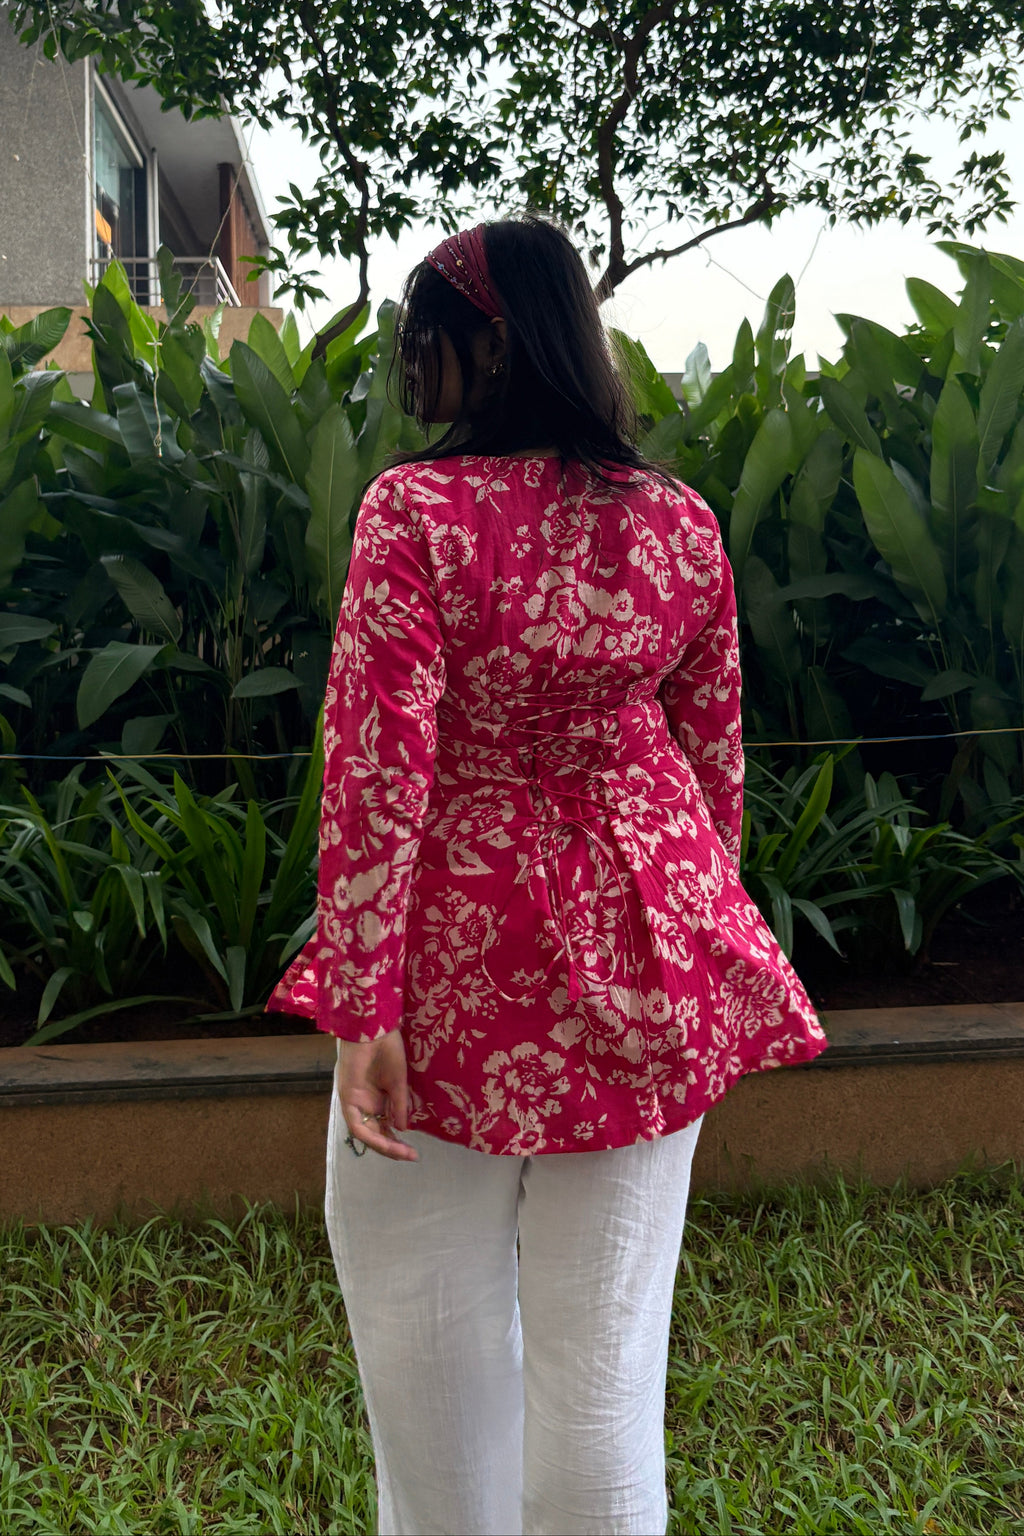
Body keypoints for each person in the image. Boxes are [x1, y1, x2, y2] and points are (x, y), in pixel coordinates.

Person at [269, 216, 829, 1536]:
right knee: (606, 1382)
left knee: (428, 1345)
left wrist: (364, 1002)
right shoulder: (680, 523)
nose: (415, 363)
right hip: (652, 945)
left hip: (454, 964)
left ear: (493, 347)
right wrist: (694, 931)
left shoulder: (416, 513)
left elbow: (378, 763)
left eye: (429, 338)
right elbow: (713, 765)